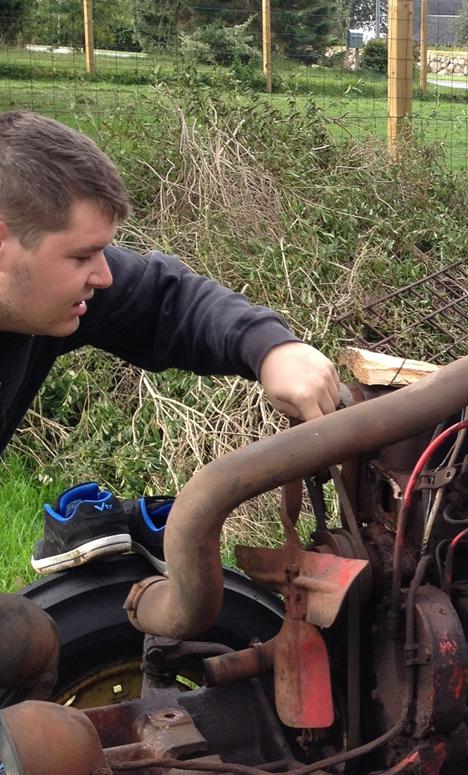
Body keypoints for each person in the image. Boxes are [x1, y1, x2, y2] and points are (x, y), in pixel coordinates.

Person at [0, 109, 341, 572]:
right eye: (81, 256)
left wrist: (273, 349)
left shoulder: (38, 299)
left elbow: (165, 300)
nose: (102, 275)